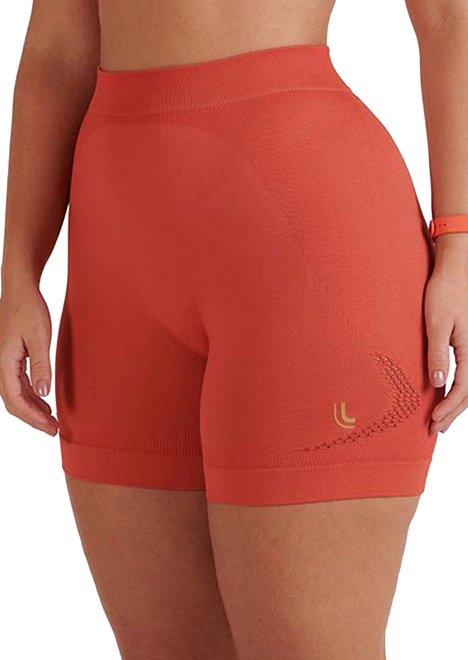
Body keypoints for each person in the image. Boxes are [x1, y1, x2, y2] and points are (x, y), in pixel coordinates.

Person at [1, 0, 467, 658]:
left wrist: (460, 244)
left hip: (305, 241)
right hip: (117, 263)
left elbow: (449, 17)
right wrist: (19, 271)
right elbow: (57, 50)